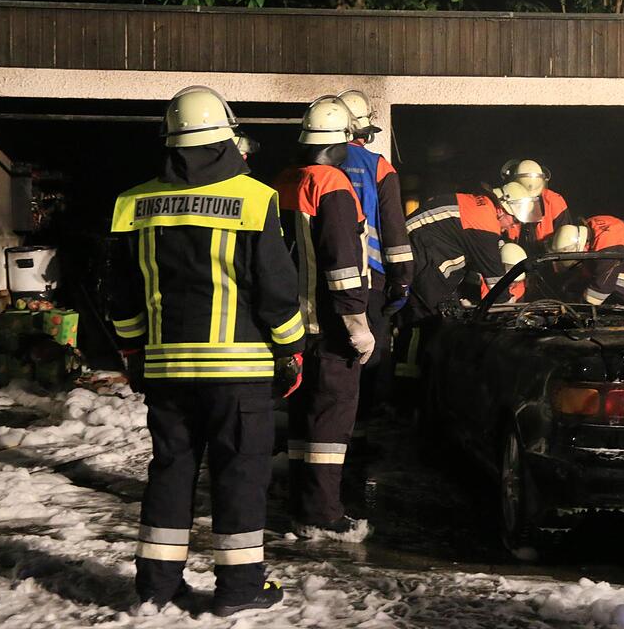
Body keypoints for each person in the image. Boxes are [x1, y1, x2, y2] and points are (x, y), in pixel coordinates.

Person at [108, 86, 304, 616]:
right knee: (239, 476)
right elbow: (275, 290)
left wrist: (132, 353)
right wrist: (292, 348)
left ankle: (156, 588)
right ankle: (240, 590)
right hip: (238, 375)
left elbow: (122, 295)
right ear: (227, 136)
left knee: (170, 473)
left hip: (166, 371)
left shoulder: (132, 203)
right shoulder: (255, 197)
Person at [275, 95, 376, 539]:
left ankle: (302, 504)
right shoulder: (332, 184)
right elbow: (341, 262)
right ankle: (323, 513)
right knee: (331, 422)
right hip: (331, 326)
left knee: (302, 420)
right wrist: (357, 322)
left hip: (294, 326)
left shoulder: (284, 180)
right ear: (339, 142)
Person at [334, 89, 413, 446]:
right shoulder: (379, 166)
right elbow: (395, 231)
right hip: (371, 279)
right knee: (370, 356)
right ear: (362, 133)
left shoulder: (312, 166)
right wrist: (402, 282)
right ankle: (359, 433)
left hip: (320, 277)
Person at [403, 182, 539, 322]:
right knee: (430, 320)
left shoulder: (483, 208)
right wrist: (510, 308)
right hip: (419, 258)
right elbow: (496, 282)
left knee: (442, 313)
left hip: (419, 253)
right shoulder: (484, 224)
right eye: (515, 220)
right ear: (500, 210)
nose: (513, 226)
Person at [500, 159, 572, 252]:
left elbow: (566, 238)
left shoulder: (554, 201)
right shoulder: (505, 199)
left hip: (547, 258)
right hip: (514, 255)